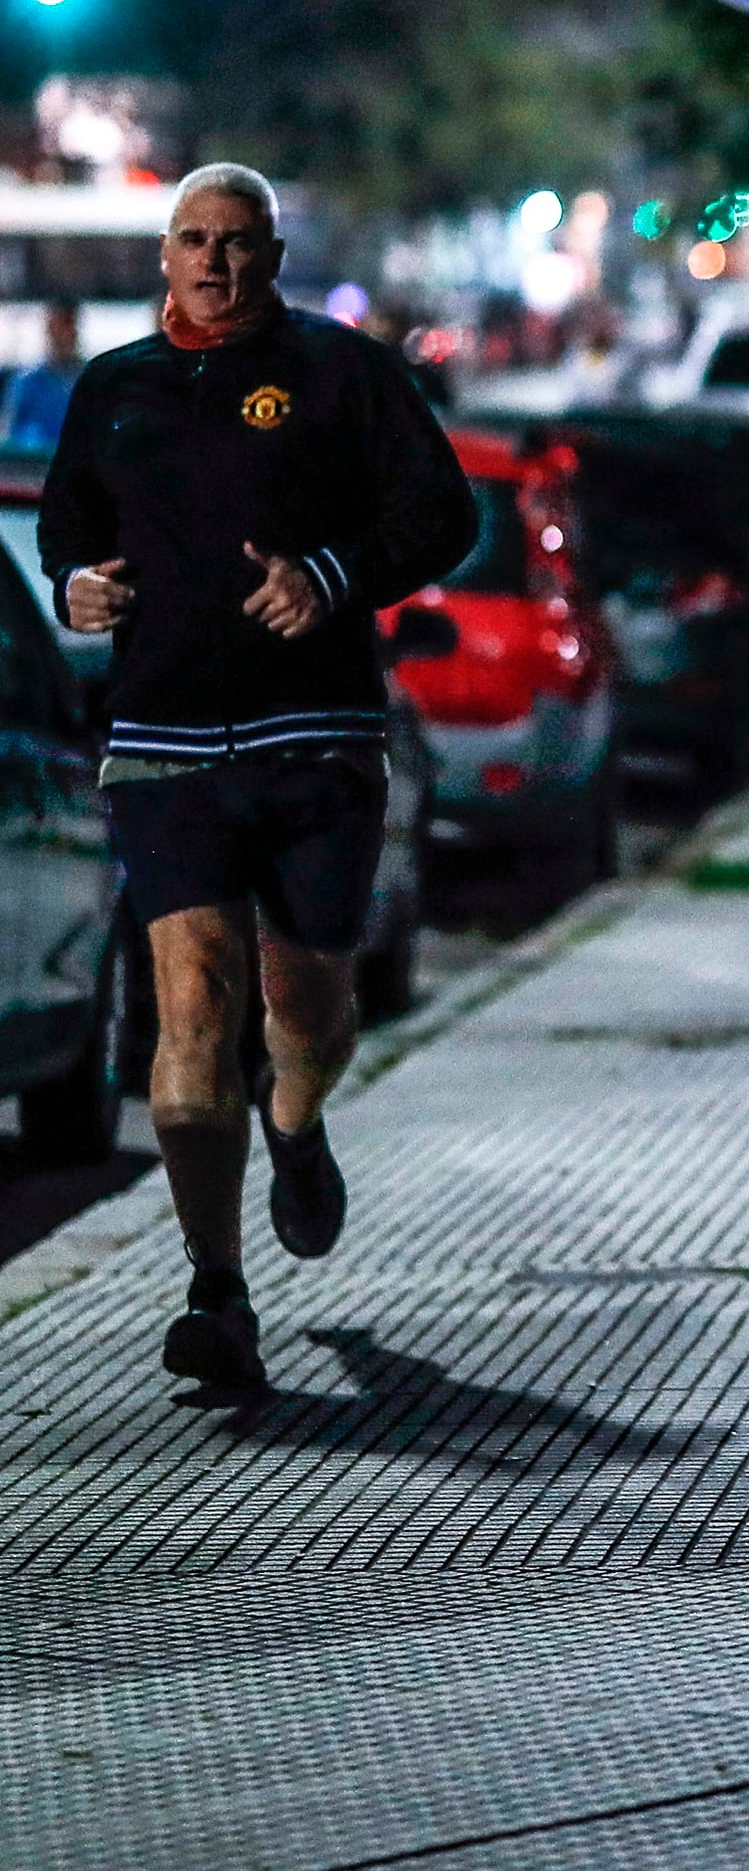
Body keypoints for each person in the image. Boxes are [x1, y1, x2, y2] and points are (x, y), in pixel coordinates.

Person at [39, 163, 474, 1396]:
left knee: (311, 1008)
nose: (217, 264)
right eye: (194, 241)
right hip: (166, 742)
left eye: (239, 243)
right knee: (191, 1005)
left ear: (273, 257)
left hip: (315, 735)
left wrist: (330, 576)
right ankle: (214, 1290)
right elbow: (66, 526)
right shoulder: (114, 388)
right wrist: (77, 584)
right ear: (163, 256)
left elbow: (442, 514)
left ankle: (296, 1116)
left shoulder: (344, 373)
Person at [6, 297, 85, 450]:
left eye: (66, 327)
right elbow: (9, 435)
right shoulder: (27, 382)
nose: (61, 336)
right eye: (55, 328)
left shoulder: (89, 379)